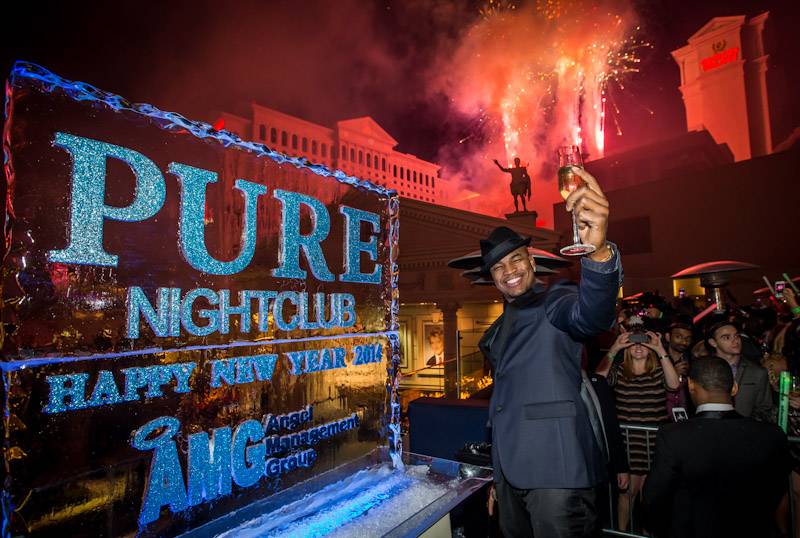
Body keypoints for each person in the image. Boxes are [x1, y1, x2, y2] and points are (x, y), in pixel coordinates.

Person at [479, 165, 620, 538]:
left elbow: (590, 317)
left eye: (516, 259)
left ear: (531, 261)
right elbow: (504, 405)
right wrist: (498, 477)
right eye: (498, 267)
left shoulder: (555, 299)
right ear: (492, 278)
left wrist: (598, 253)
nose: (509, 271)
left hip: (558, 473)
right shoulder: (502, 326)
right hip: (511, 475)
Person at [642, 357, 790, 538]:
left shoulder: (674, 436)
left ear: (691, 386)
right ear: (734, 388)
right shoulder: (772, 435)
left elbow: (655, 496)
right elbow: (777, 490)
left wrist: (658, 526)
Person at [598, 326, 680, 532]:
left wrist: (660, 349)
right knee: (627, 492)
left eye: (643, 342)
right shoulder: (620, 371)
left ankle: (646, 532)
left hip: (654, 442)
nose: (638, 347)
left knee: (649, 495)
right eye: (633, 342)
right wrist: (614, 348)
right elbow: (598, 379)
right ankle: (622, 533)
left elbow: (674, 385)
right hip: (629, 441)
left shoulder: (659, 370)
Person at [706, 319, 774, 421]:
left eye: (737, 336)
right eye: (727, 337)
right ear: (713, 342)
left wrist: (746, 425)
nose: (735, 341)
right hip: (710, 427)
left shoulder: (757, 372)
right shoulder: (704, 369)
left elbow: (765, 409)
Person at [663, 317, 692, 416]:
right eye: (678, 337)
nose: (684, 342)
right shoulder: (658, 360)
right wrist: (672, 374)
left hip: (688, 415)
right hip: (663, 415)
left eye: (688, 339)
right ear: (668, 337)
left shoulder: (693, 360)